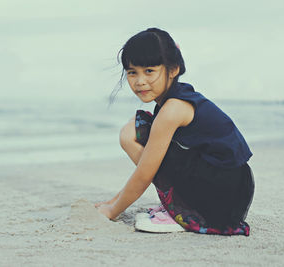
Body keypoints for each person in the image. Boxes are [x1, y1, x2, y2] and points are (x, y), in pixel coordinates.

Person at [95, 27, 255, 236]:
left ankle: (183, 212)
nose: (139, 81)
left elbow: (145, 174)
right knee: (132, 129)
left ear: (173, 69)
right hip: (228, 183)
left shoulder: (173, 109)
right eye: (132, 72)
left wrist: (112, 211)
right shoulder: (173, 99)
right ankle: (180, 205)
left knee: (133, 135)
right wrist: (111, 201)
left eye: (149, 71)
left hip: (223, 193)